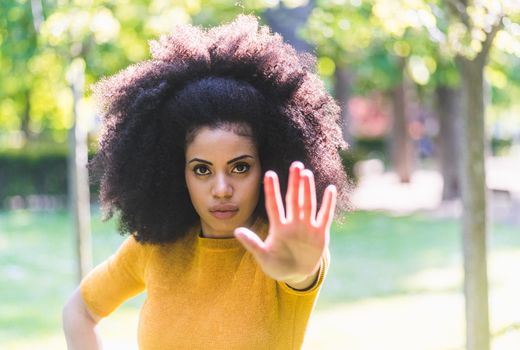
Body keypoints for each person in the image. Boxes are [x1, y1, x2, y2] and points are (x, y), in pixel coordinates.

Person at [62, 15, 351, 350]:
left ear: (268, 164)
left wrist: (300, 270)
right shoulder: (153, 248)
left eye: (240, 167)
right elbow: (79, 311)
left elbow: (300, 271)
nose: (221, 188)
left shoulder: (281, 246)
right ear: (174, 171)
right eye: (202, 170)